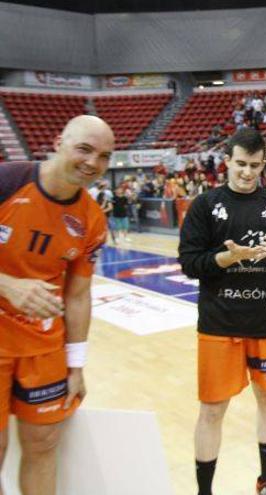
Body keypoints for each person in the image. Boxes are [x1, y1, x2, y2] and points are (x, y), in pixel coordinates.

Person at [178, 128, 266, 495]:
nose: (247, 172)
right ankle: (205, 491)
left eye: (254, 165)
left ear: (263, 164)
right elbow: (189, 262)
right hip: (219, 324)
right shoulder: (206, 205)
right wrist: (227, 257)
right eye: (240, 164)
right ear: (227, 162)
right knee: (213, 410)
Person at [0, 115, 113, 495]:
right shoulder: (7, 182)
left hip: (44, 347)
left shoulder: (92, 220)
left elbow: (78, 295)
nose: (93, 163)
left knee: (43, 445)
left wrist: (76, 365)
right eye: (84, 149)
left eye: (104, 156)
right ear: (57, 142)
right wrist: (8, 285)